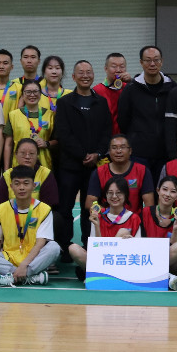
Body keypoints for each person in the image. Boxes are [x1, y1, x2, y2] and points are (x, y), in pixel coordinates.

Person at [53, 60, 112, 249]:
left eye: (89, 72)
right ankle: (64, 247)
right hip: (69, 166)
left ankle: (89, 245)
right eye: (81, 72)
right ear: (73, 77)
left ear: (93, 75)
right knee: (65, 208)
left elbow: (107, 132)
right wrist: (82, 155)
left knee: (92, 208)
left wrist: (98, 154)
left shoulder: (101, 102)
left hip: (94, 168)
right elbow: (63, 134)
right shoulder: (64, 103)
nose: (85, 76)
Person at [0, 165, 60, 287]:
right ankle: (29, 277)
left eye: (26, 183)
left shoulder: (44, 209)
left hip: (33, 259)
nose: (21, 187)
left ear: (34, 186)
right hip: (9, 258)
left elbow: (40, 243)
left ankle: (12, 277)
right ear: (11, 186)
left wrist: (24, 265)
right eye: (17, 183)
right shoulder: (1, 209)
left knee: (54, 247)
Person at [118, 45, 177, 181]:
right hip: (138, 153)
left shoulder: (172, 88)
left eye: (156, 60)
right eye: (148, 60)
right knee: (138, 190)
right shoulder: (131, 89)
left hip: (165, 153)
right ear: (141, 62)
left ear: (162, 61)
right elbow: (123, 120)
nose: (152, 64)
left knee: (163, 190)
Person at [69, 176, 143, 280]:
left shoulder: (134, 218)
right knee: (73, 248)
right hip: (102, 259)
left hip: (123, 262)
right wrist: (97, 226)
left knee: (123, 232)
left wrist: (131, 242)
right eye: (110, 193)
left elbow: (139, 248)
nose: (114, 196)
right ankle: (101, 274)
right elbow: (95, 249)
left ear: (125, 195)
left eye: (118, 193)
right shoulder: (98, 215)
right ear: (106, 195)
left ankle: (98, 275)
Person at [0, 138, 64, 247]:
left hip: (37, 219)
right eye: (23, 153)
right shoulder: (7, 176)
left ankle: (43, 248)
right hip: (12, 218)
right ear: (16, 154)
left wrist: (28, 218)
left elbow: (49, 204)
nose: (27, 157)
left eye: (32, 154)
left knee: (56, 218)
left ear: (37, 155)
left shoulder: (45, 174)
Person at [139, 176, 177, 286]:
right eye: (165, 189)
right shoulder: (145, 213)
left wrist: (175, 230)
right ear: (158, 191)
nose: (167, 194)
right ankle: (158, 276)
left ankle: (151, 275)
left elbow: (176, 250)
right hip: (148, 260)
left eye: (173, 191)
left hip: (172, 267)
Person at [85, 134, 153, 215]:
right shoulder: (99, 172)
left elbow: (149, 204)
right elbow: (89, 203)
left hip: (134, 220)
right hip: (107, 219)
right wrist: (109, 215)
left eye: (122, 147)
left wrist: (131, 219)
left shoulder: (142, 171)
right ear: (109, 151)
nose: (118, 151)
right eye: (114, 148)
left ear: (130, 151)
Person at [4, 79, 55, 172]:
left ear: (40, 94)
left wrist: (46, 143)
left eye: (35, 91)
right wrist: (6, 169)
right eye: (28, 92)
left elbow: (58, 141)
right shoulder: (13, 115)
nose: (32, 95)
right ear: (23, 95)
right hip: (19, 166)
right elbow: (8, 144)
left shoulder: (50, 115)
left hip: (44, 166)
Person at [94, 52, 130, 134]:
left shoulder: (130, 88)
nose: (118, 70)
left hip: (127, 137)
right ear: (106, 69)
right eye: (114, 66)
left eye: (122, 66)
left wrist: (131, 82)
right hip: (106, 137)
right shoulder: (97, 90)